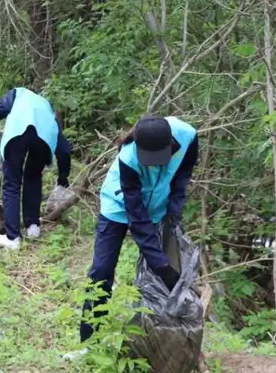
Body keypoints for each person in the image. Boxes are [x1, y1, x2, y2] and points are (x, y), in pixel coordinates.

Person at [79, 115, 199, 342]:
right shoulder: (128, 157)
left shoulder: (187, 135)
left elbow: (184, 172)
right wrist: (161, 263)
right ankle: (90, 339)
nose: (153, 165)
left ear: (171, 145)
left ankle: (157, 337)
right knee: (101, 272)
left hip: (158, 208)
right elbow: (137, 217)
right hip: (117, 206)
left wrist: (175, 205)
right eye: (148, 160)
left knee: (156, 276)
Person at [0, 88, 71, 249]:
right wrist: (63, 177)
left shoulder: (19, 93)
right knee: (34, 177)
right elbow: (64, 150)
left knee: (12, 183)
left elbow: (2, 108)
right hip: (43, 139)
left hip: (18, 132)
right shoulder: (47, 108)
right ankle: (33, 227)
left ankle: (13, 237)